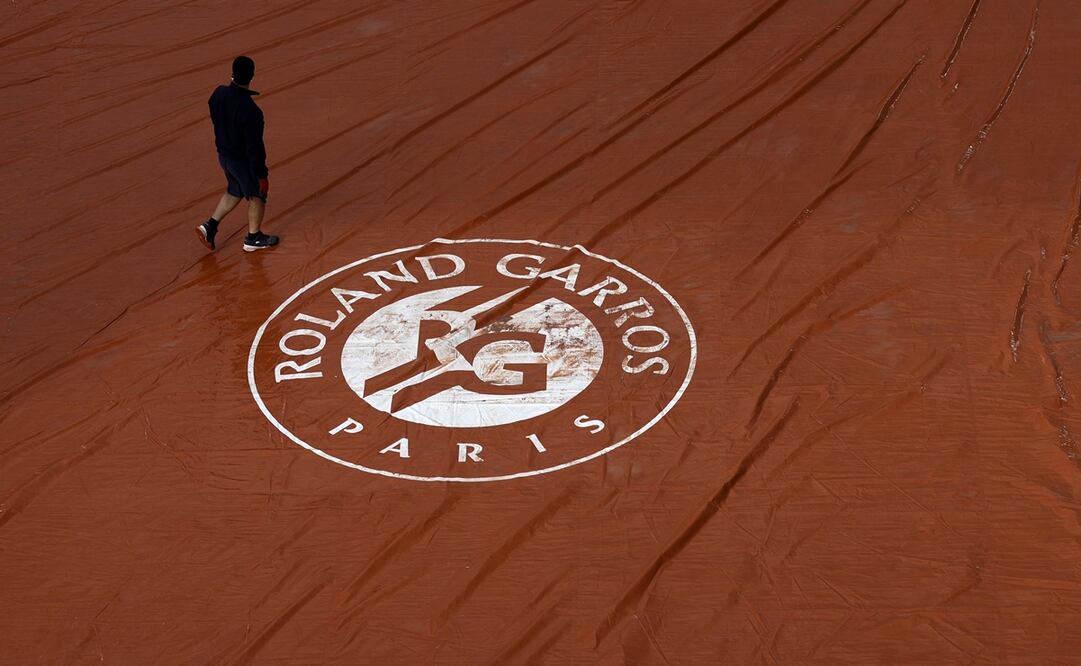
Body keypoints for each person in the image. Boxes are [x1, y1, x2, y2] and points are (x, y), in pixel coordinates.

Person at [197, 55, 279, 252]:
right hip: (241, 160)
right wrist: (261, 175)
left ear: (232, 72)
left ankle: (210, 226)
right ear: (252, 76)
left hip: (224, 155)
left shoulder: (218, 94)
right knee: (257, 196)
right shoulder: (251, 111)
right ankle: (253, 237)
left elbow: (214, 114)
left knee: (235, 190)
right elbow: (255, 147)